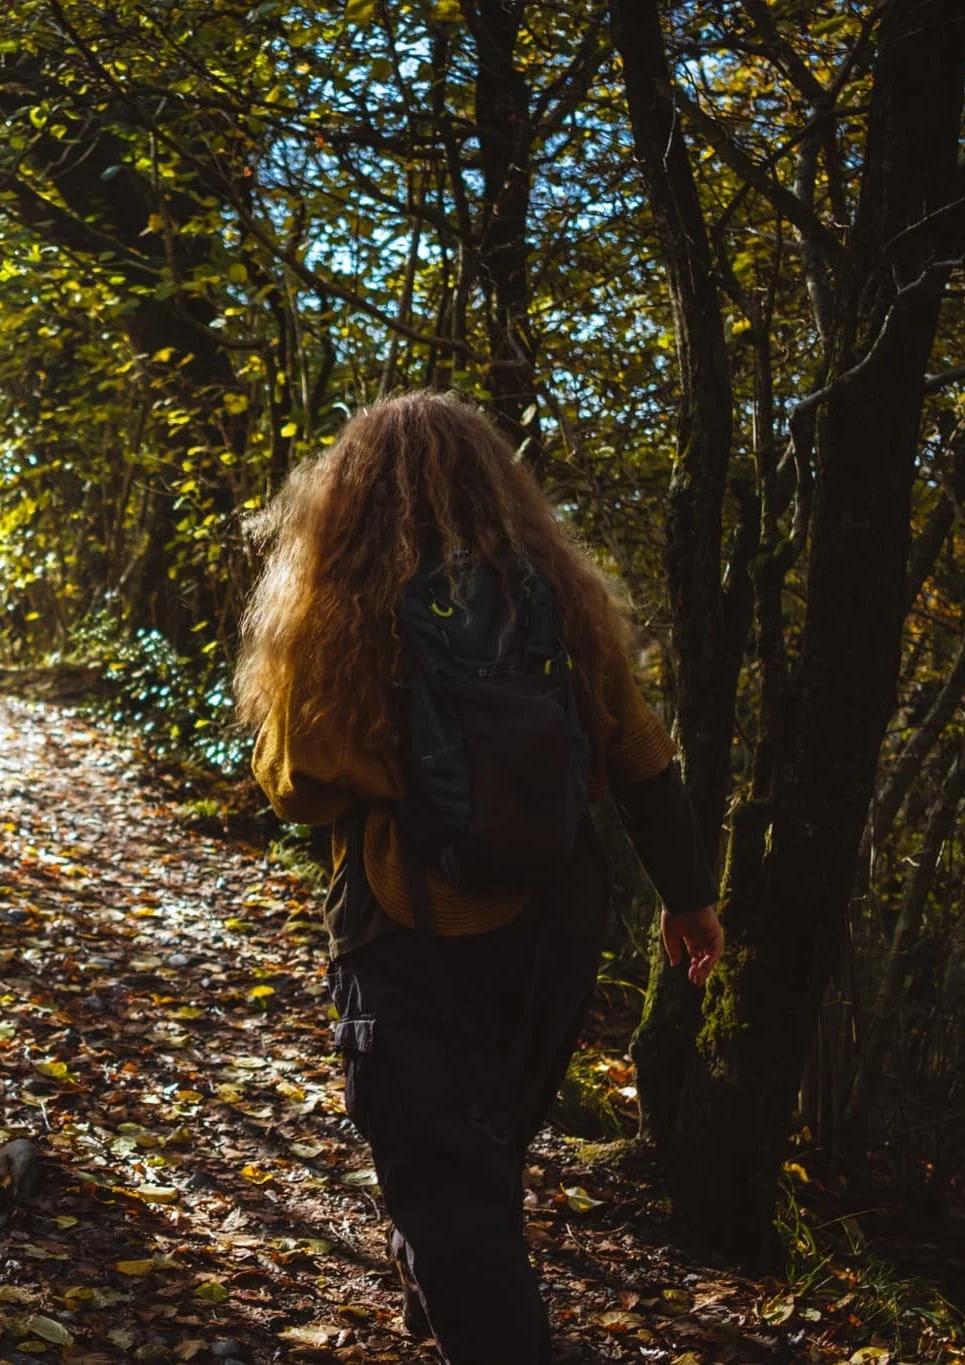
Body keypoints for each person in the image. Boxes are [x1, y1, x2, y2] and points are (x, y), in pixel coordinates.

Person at [235, 391, 723, 1364]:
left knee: (439, 1166)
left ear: (347, 493)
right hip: (557, 917)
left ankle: (478, 1317)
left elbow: (293, 784)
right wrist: (687, 895)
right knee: (482, 1139)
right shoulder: (558, 596)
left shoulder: (342, 602)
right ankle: (438, 1289)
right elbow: (637, 754)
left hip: (408, 925)